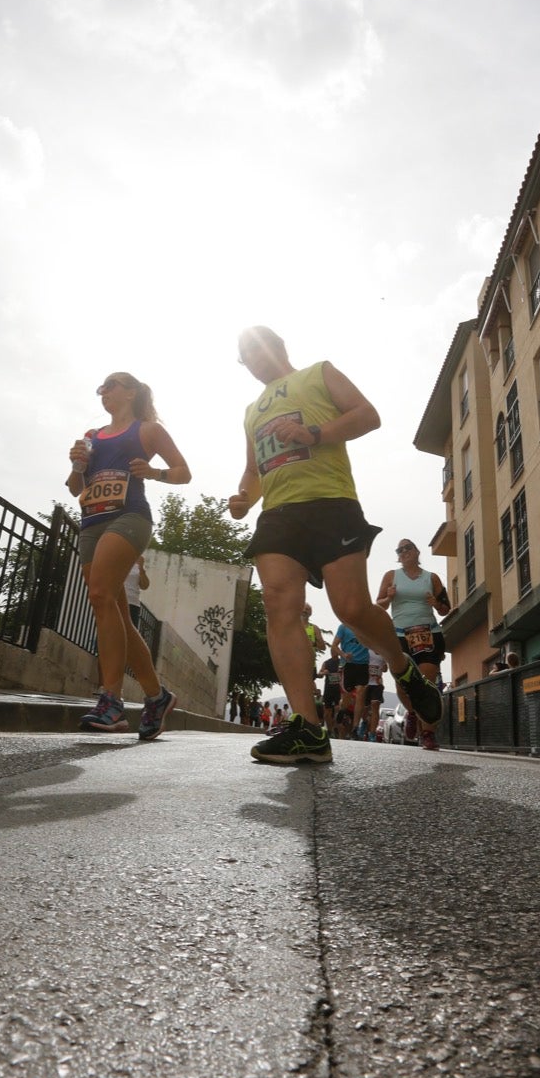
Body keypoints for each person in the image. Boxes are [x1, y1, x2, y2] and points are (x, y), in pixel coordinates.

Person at [228, 326, 443, 765]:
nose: (250, 359)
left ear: (277, 345)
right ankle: (307, 728)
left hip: (330, 502)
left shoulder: (317, 374)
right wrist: (243, 498)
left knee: (351, 609)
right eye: (242, 356)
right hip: (278, 514)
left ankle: (402, 667)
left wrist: (314, 434)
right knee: (277, 602)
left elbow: (367, 415)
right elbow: (253, 469)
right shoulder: (251, 411)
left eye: (253, 349)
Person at [67, 372, 190, 740]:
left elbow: (184, 472)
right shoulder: (91, 437)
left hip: (130, 516)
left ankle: (111, 701)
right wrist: (76, 465)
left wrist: (154, 472)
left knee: (101, 594)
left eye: (111, 385)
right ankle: (157, 696)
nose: (104, 392)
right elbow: (76, 489)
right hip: (92, 521)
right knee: (116, 611)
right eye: (100, 389)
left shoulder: (147, 430)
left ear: (131, 391)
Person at [376, 538, 451, 751]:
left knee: (427, 683)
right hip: (400, 635)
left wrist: (436, 603)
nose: (404, 551)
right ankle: (411, 711)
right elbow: (378, 605)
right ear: (398, 555)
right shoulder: (392, 576)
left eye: (408, 547)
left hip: (428, 634)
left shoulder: (432, 578)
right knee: (402, 684)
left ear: (417, 551)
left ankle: (428, 734)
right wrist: (388, 598)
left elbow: (446, 608)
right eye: (400, 549)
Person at [332, 623, 369, 737]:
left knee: (360, 694)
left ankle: (356, 727)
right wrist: (343, 654)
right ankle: (342, 709)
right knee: (347, 698)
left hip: (363, 664)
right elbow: (334, 646)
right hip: (348, 665)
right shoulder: (343, 627)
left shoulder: (367, 627)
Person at [123, 554, 151, 628]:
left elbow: (144, 586)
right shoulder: (117, 559)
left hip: (132, 603)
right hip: (117, 600)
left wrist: (141, 568)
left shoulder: (138, 563)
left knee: (129, 631)